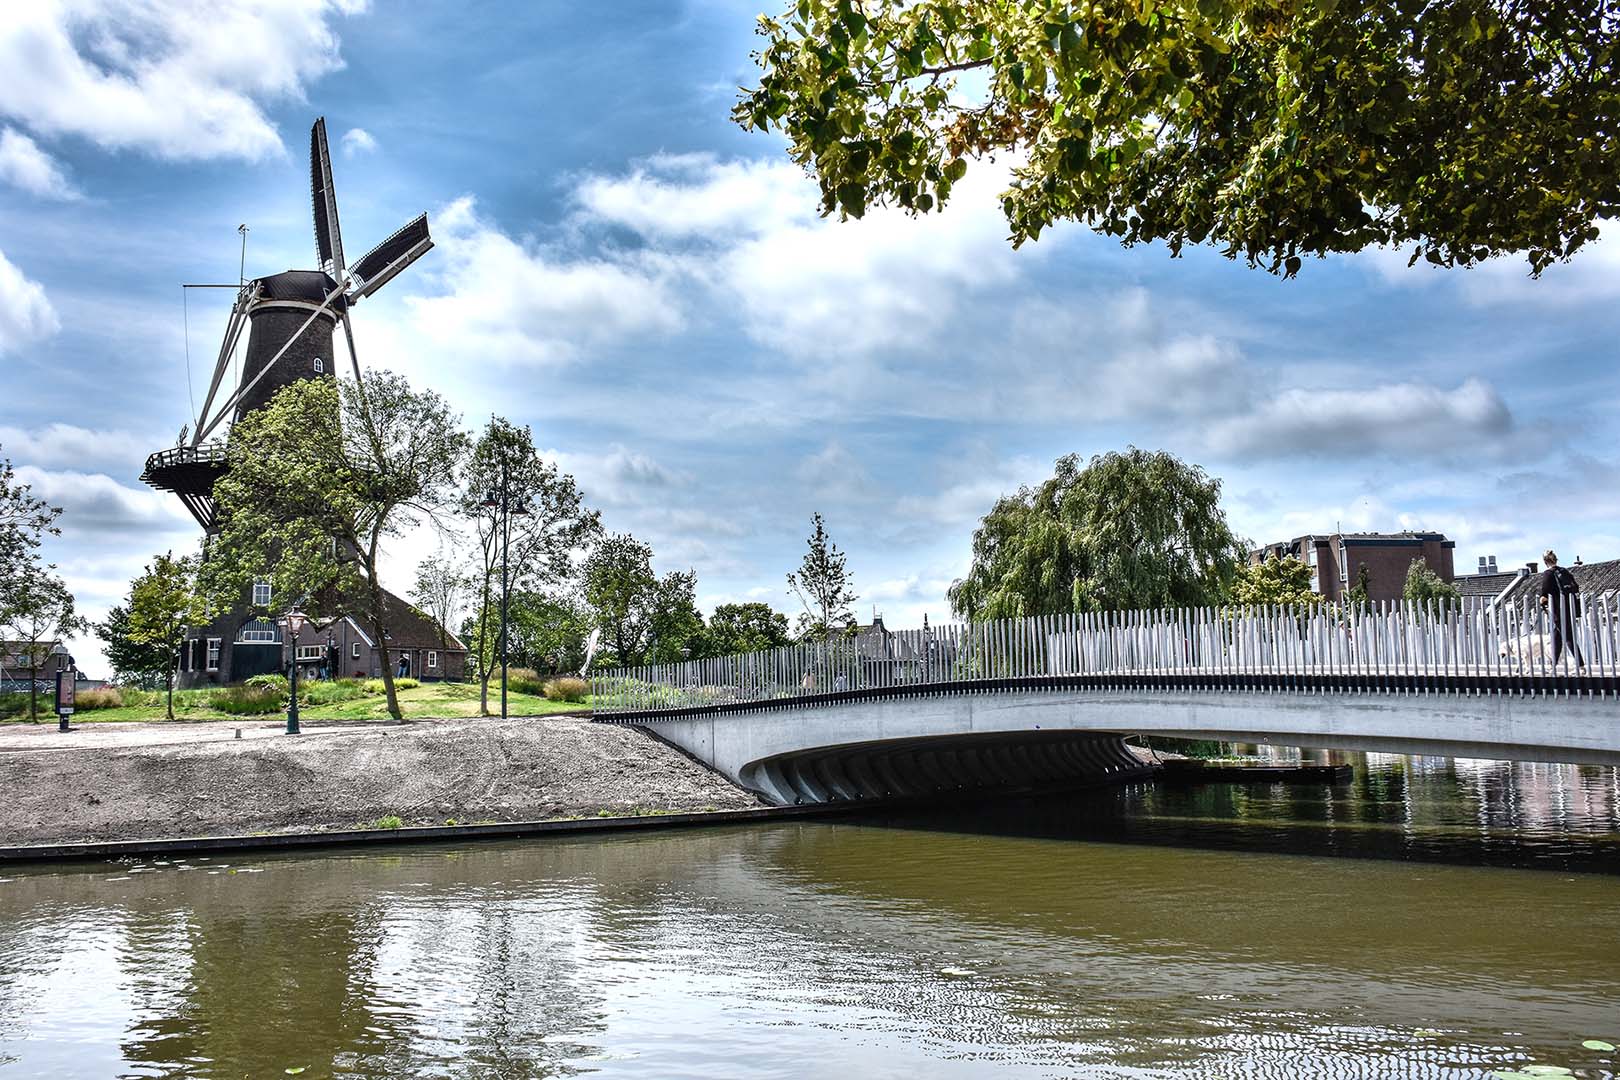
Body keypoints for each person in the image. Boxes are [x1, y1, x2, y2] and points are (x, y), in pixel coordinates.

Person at [1538, 550, 1585, 670]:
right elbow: (1576, 587)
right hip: (1570, 607)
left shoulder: (1548, 574)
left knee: (1568, 637)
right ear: (1556, 559)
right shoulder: (1564, 571)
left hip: (1558, 610)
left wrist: (1542, 602)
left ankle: (1580, 666)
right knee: (1557, 637)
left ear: (1545, 561)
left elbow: (1544, 594)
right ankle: (1553, 665)